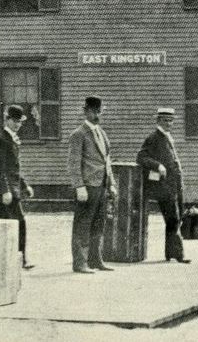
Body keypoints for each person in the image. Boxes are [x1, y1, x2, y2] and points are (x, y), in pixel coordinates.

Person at [67, 95, 117, 274]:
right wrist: (79, 186)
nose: (97, 115)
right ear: (85, 112)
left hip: (101, 185)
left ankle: (95, 260)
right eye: (93, 111)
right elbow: (73, 163)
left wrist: (111, 184)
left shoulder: (102, 133)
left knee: (98, 224)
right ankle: (80, 263)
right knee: (83, 224)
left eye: (99, 111)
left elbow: (107, 160)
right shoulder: (78, 134)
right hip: (87, 187)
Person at [137, 107, 190, 263]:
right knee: (173, 219)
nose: (168, 123)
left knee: (175, 219)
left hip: (174, 185)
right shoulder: (153, 138)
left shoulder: (167, 137)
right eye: (165, 120)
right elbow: (141, 157)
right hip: (164, 187)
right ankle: (179, 255)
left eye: (171, 120)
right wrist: (158, 166)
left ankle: (170, 253)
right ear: (158, 120)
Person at [0, 104, 35, 269]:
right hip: (7, 192)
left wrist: (25, 186)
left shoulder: (11, 139)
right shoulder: (1, 140)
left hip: (13, 189)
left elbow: (13, 169)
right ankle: (13, 261)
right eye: (14, 121)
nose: (17, 124)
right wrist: (4, 191)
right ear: (7, 119)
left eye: (20, 121)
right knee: (11, 225)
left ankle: (15, 260)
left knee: (13, 225)